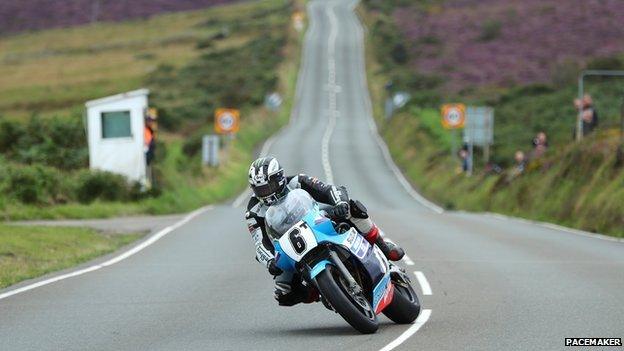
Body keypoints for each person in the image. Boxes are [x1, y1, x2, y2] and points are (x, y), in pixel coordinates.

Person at [244, 157, 405, 306]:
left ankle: (383, 247)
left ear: (279, 179)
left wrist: (340, 202)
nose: (265, 194)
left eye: (267, 187)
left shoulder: (297, 181)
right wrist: (270, 261)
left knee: (351, 207)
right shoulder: (253, 211)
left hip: (318, 220)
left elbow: (330, 189)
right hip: (290, 246)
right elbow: (259, 243)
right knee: (283, 293)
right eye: (260, 190)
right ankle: (321, 290)